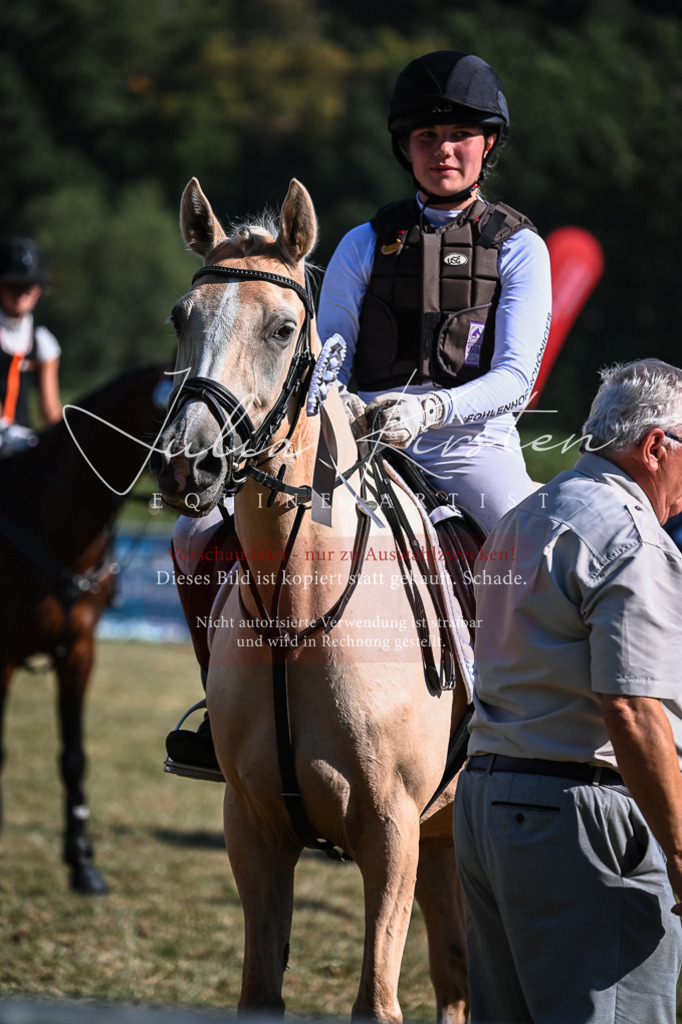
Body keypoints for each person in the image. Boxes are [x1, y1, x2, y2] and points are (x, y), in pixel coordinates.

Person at [453, 358, 682, 1023]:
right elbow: (632, 708)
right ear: (655, 447)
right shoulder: (632, 538)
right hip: (580, 819)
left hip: (487, 806)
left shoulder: (526, 516)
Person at [317, 49, 552, 533]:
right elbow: (329, 357)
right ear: (406, 147)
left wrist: (429, 410)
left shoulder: (520, 248)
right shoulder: (362, 242)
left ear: (487, 143)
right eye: (427, 136)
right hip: (363, 438)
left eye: (460, 135)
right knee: (213, 529)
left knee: (538, 543)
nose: (443, 149)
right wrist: (343, 404)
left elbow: (516, 378)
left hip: (472, 450)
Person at [0, 237, 62, 450]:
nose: (21, 295)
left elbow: (50, 410)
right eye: (13, 287)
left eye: (27, 287)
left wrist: (64, 442)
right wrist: (8, 433)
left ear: (38, 289)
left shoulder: (43, 342)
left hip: (21, 442)